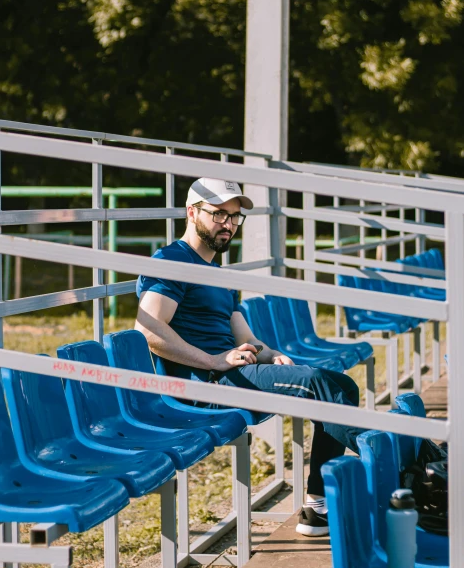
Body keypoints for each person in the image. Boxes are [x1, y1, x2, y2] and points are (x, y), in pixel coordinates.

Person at [136, 177, 364, 536]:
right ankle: (406, 468)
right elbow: (149, 330)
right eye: (218, 215)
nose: (227, 225)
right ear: (191, 212)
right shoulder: (171, 260)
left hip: (231, 373)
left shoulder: (219, 274)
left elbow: (246, 337)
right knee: (319, 386)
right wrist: (212, 361)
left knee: (342, 385)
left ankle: (318, 507)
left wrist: (271, 355)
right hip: (205, 384)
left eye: (234, 217)